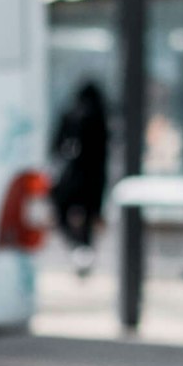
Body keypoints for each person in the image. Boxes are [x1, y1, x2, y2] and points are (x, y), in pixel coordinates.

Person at [47, 81, 114, 260]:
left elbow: (56, 148)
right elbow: (104, 157)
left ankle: (77, 246)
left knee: (61, 208)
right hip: (93, 180)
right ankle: (83, 248)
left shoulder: (71, 116)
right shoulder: (101, 121)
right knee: (89, 217)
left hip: (73, 177)